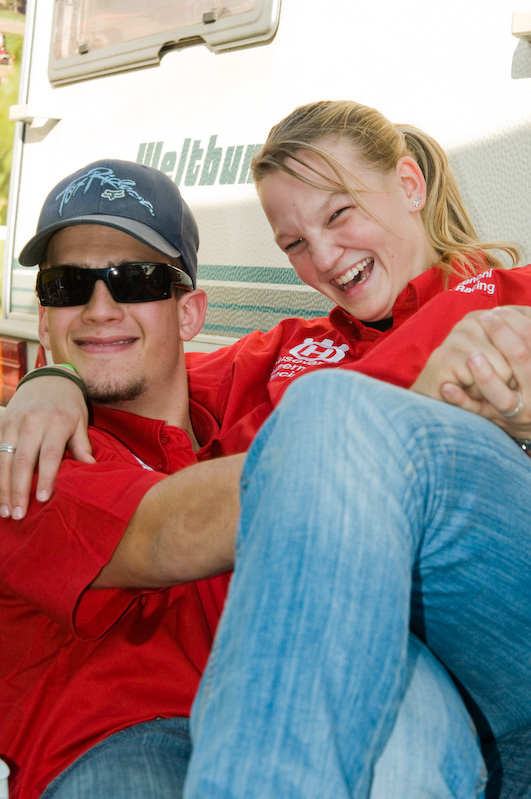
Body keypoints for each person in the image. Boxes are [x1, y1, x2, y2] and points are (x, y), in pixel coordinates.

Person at [2, 101, 531, 795]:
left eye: (136, 281)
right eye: (69, 288)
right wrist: (51, 378)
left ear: (189, 312)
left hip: (492, 628)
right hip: (173, 717)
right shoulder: (285, 356)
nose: (101, 309)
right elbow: (167, 523)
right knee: (394, 720)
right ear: (43, 316)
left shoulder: (504, 302)